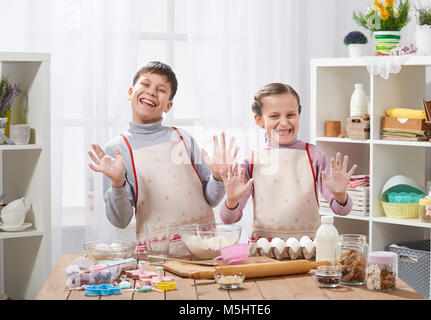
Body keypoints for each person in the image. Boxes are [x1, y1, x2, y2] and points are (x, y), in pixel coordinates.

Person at [88, 61, 237, 256]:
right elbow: (120, 220)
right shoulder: (117, 149)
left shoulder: (184, 139)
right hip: (158, 257)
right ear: (130, 92)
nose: (151, 92)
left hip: (204, 249)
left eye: (161, 89)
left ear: (168, 105)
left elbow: (211, 198)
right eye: (146, 84)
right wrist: (117, 183)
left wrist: (217, 177)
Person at [219, 82, 357, 244]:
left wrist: (340, 196)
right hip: (263, 251)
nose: (283, 123)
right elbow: (229, 219)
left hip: (307, 248)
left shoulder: (314, 155)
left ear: (299, 114)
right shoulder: (251, 162)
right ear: (259, 120)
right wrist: (231, 201)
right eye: (274, 116)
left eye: (291, 115)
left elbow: (342, 210)